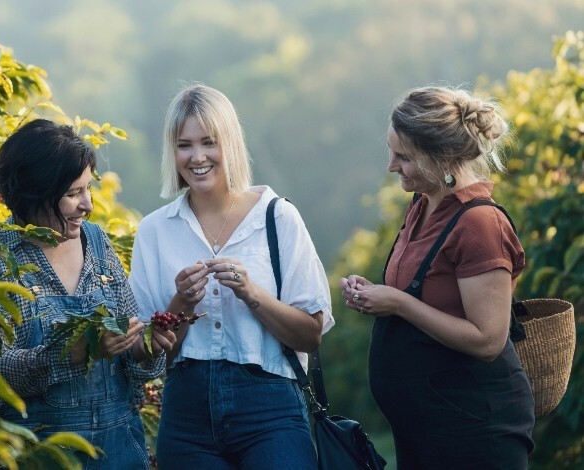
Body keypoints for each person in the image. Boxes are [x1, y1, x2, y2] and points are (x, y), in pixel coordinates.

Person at [128, 84, 334, 469]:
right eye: (184, 145)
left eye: (209, 142)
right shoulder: (154, 231)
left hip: (270, 409)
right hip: (186, 412)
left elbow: (311, 334)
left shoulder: (277, 218)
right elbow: (146, 354)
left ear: (231, 144)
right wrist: (180, 305)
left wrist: (251, 292)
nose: (197, 157)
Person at [340, 86, 535, 469]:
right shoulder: (423, 205)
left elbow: (488, 340)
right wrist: (374, 294)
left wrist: (398, 303)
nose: (391, 166)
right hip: (424, 429)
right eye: (391, 152)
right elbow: (427, 294)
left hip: (474, 428)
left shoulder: (479, 223)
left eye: (404, 157)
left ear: (442, 158)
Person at [0, 119, 176, 469]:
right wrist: (73, 353)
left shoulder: (97, 242)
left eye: (88, 189)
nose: (87, 204)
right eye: (72, 193)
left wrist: (143, 348)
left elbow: (132, 365)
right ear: (35, 192)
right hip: (31, 455)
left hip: (117, 452)